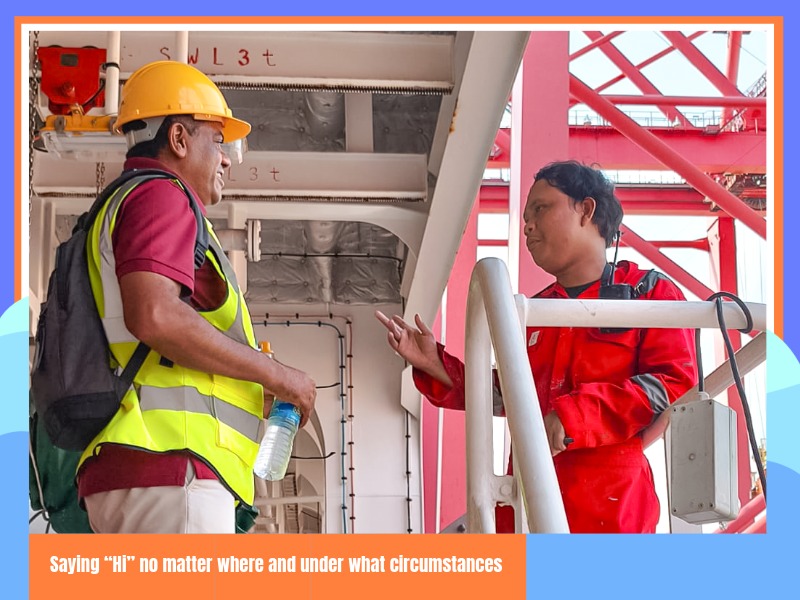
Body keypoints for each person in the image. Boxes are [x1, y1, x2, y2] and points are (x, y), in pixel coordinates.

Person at [376, 160, 696, 533]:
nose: (527, 225)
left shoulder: (649, 293)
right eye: (526, 217)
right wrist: (435, 364)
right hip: (525, 503)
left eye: (541, 209)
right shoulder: (529, 312)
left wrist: (574, 417)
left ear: (586, 210)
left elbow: (674, 384)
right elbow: (508, 395)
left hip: (612, 508)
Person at [76, 61, 317, 533]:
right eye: (218, 141)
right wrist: (278, 375)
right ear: (179, 139)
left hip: (143, 466)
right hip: (172, 467)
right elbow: (155, 316)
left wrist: (252, 389)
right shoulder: (161, 195)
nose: (226, 160)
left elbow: (161, 350)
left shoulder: (126, 205)